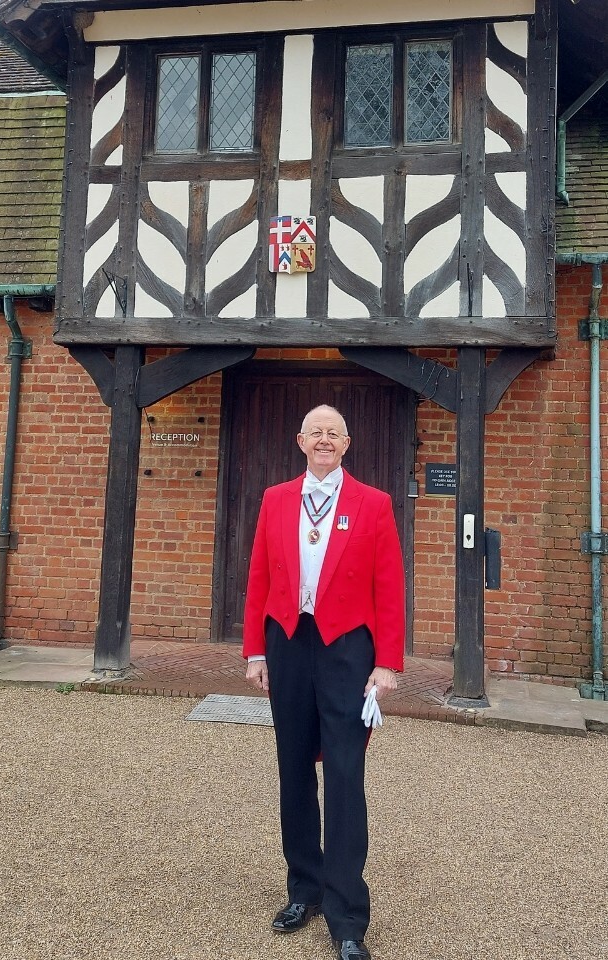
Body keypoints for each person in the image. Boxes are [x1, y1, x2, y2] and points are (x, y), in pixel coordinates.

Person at [243, 404, 406, 960]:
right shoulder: (275, 499)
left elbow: (389, 587)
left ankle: (347, 915)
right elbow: (259, 576)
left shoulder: (375, 504)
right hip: (288, 644)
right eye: (316, 433)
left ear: (347, 443)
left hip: (347, 651)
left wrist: (386, 663)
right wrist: (255, 650)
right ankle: (304, 890)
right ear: (300, 441)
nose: (324, 441)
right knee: (292, 769)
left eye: (333, 433)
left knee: (342, 775)